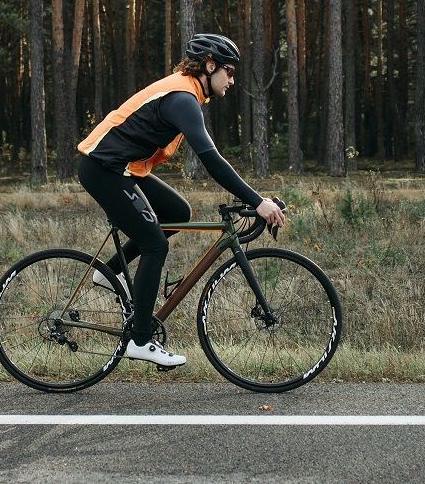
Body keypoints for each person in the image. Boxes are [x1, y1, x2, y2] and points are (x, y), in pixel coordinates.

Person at [76, 33, 286, 368]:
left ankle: (108, 273)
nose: (232, 80)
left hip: (123, 168)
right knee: (154, 246)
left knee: (178, 211)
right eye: (229, 72)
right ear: (209, 65)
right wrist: (258, 201)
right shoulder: (182, 98)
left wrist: (256, 198)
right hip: (103, 169)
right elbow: (212, 159)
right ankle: (140, 340)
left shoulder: (187, 94)